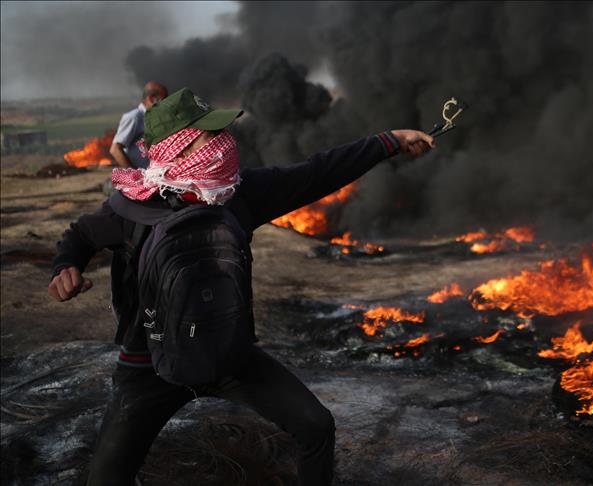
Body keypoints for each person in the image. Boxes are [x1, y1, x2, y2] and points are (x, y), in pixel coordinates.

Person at [48, 87, 434, 485]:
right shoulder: (130, 207)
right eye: (210, 135)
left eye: (222, 132)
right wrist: (66, 267)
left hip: (227, 352)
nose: (224, 142)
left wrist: (388, 141)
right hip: (150, 364)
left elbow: (318, 172)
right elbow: (80, 235)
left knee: (315, 426)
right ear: (177, 147)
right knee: (106, 479)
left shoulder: (236, 193)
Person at [109, 81, 168, 169]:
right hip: (140, 175)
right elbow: (115, 150)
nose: (166, 104)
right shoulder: (135, 117)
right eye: (164, 100)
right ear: (151, 99)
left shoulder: (154, 118)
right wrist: (134, 174)